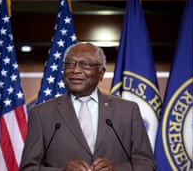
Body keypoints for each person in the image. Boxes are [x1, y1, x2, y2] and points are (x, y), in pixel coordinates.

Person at [20, 42, 156, 171]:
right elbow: (28, 168)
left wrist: (116, 169)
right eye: (70, 64)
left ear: (101, 73)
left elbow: (147, 165)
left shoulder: (127, 111)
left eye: (85, 64)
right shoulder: (41, 114)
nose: (75, 70)